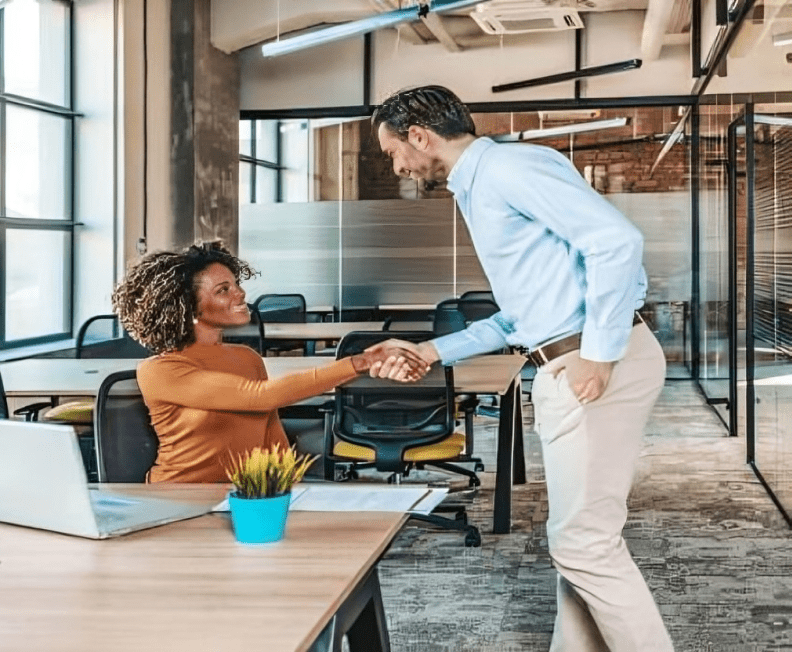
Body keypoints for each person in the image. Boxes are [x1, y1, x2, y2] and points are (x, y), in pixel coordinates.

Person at [371, 86, 673, 651]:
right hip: (568, 356)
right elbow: (522, 315)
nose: (398, 166)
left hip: (587, 361)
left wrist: (601, 355)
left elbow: (615, 241)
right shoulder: (480, 185)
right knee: (581, 542)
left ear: (419, 135)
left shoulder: (506, 169)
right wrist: (435, 351)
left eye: (394, 152)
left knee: (584, 544)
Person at [112, 240, 427, 484]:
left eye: (236, 284)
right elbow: (259, 396)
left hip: (247, 494)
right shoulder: (160, 370)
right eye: (224, 290)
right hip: (179, 498)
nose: (240, 294)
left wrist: (291, 488)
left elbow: (270, 436)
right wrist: (359, 362)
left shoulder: (246, 357)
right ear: (188, 308)